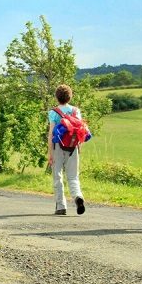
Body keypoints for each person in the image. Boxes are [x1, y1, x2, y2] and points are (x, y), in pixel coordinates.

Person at [47, 84, 86, 216]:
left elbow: (52, 133)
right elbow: (81, 131)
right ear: (70, 97)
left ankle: (61, 206)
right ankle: (77, 197)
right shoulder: (76, 111)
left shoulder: (54, 112)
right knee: (73, 177)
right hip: (73, 147)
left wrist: (50, 153)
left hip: (58, 146)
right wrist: (78, 146)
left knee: (57, 176)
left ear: (56, 97)